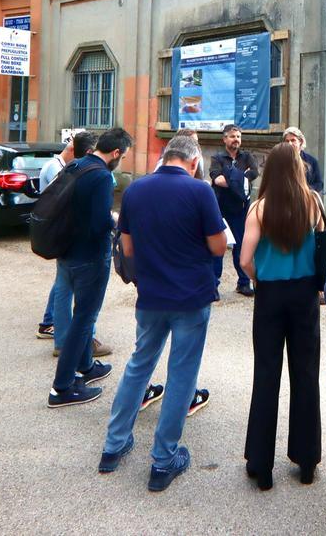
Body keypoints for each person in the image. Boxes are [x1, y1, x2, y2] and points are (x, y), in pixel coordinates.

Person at [98, 134, 227, 492]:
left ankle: (113, 445)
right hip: (191, 297)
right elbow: (218, 246)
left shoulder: (136, 190)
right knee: (182, 373)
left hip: (151, 294)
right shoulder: (200, 191)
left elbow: (127, 247)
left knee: (139, 365)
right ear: (194, 162)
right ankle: (162, 458)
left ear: (166, 156)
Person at [240, 142, 325, 490]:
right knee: (305, 374)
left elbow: (245, 259)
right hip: (304, 294)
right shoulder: (313, 204)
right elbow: (323, 249)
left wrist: (259, 277)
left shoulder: (259, 208)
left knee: (266, 374)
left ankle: (261, 464)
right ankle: (307, 459)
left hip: (271, 295)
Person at [47, 128, 132, 408]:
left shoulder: (76, 165)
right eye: (123, 156)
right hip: (90, 256)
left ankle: (86, 366)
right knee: (84, 318)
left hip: (67, 251)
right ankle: (62, 387)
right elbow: (99, 224)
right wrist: (115, 220)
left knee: (81, 313)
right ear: (116, 153)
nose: (122, 161)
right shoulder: (102, 176)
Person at [36, 131, 111, 358]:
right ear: (90, 151)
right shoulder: (95, 173)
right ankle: (86, 344)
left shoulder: (68, 169)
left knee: (63, 290)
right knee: (86, 298)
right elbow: (99, 219)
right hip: (83, 245)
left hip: (63, 238)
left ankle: (61, 342)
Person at [209, 124, 258, 297]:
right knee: (218, 248)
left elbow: (254, 173)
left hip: (240, 210)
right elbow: (217, 179)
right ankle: (213, 285)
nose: (236, 139)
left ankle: (243, 283)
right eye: (232, 136)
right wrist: (240, 177)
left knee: (241, 246)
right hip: (220, 209)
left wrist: (229, 175)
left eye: (238, 136)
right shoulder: (217, 158)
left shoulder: (247, 157)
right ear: (224, 139)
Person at [283, 126, 323, 193]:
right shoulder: (280, 161)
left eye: (293, 140)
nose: (289, 143)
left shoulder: (311, 161)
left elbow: (319, 184)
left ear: (300, 142)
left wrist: (306, 190)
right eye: (287, 141)